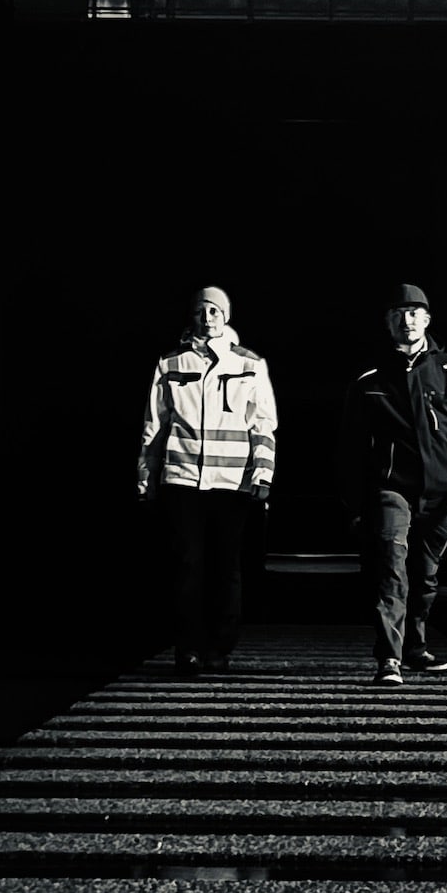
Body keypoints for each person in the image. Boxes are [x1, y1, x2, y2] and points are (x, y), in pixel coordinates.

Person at [338, 283, 447, 686]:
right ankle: (389, 658)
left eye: (414, 313)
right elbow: (351, 448)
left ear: (427, 320)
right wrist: (355, 506)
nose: (407, 320)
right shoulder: (369, 378)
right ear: (388, 323)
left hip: (441, 494)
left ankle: (415, 648)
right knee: (391, 566)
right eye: (399, 314)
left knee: (425, 576)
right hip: (391, 489)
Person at [137, 285, 278, 676]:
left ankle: (219, 646)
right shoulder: (170, 362)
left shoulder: (249, 363)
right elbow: (154, 424)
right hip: (182, 478)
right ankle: (188, 649)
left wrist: (263, 473)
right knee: (187, 565)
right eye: (201, 310)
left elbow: (263, 424)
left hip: (231, 482)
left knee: (226, 566)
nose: (207, 317)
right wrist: (146, 476)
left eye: (215, 310)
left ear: (226, 316)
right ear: (192, 315)